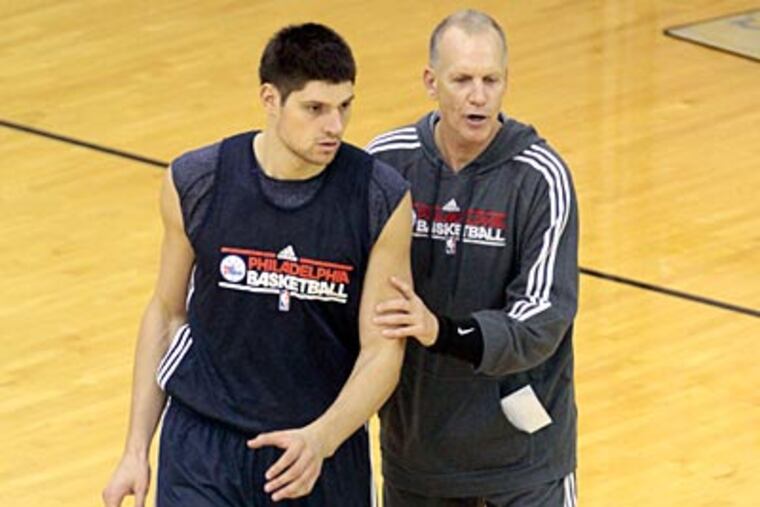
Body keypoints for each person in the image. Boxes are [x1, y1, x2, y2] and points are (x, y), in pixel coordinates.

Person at [102, 23, 412, 507]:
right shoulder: (198, 180)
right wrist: (135, 450)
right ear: (270, 99)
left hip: (317, 451)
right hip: (203, 446)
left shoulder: (380, 197)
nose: (335, 126)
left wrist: (322, 439)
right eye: (315, 108)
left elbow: (383, 350)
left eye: (345, 106)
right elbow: (166, 313)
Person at [367, 9, 579, 507]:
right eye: (462, 79)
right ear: (430, 81)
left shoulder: (540, 178)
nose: (478, 96)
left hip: (522, 467)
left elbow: (540, 322)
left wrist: (440, 329)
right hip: (416, 459)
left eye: (491, 80)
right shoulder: (386, 165)